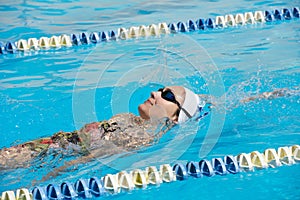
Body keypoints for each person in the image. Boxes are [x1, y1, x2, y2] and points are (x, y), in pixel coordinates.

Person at [0, 86, 203, 171]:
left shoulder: (142, 138)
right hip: (43, 147)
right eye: (160, 89)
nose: (155, 92)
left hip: (43, 157)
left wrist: (45, 180)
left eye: (167, 96)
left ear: (176, 118)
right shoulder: (128, 119)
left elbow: (88, 159)